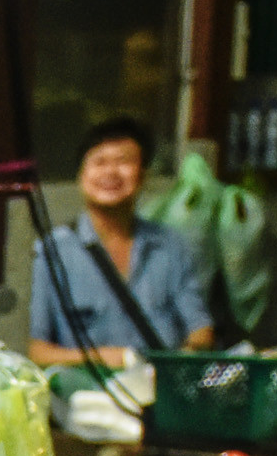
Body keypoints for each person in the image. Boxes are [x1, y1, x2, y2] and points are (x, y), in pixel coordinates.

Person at [29, 116, 216, 371]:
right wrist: (104, 358)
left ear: (143, 176)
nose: (110, 172)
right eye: (99, 162)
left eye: (123, 161)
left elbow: (201, 331)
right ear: (81, 176)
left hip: (161, 392)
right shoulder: (53, 251)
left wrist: (176, 366)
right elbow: (38, 351)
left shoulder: (170, 245)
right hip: (91, 397)